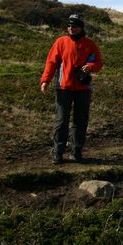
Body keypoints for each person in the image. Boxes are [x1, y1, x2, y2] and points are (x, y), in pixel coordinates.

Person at [40, 14, 103, 164]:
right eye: (68, 26)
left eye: (74, 26)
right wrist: (45, 80)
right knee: (61, 121)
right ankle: (58, 153)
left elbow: (98, 62)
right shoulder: (60, 42)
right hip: (63, 87)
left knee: (81, 121)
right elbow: (51, 63)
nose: (71, 28)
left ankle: (76, 152)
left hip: (83, 88)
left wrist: (90, 67)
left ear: (81, 27)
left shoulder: (90, 44)